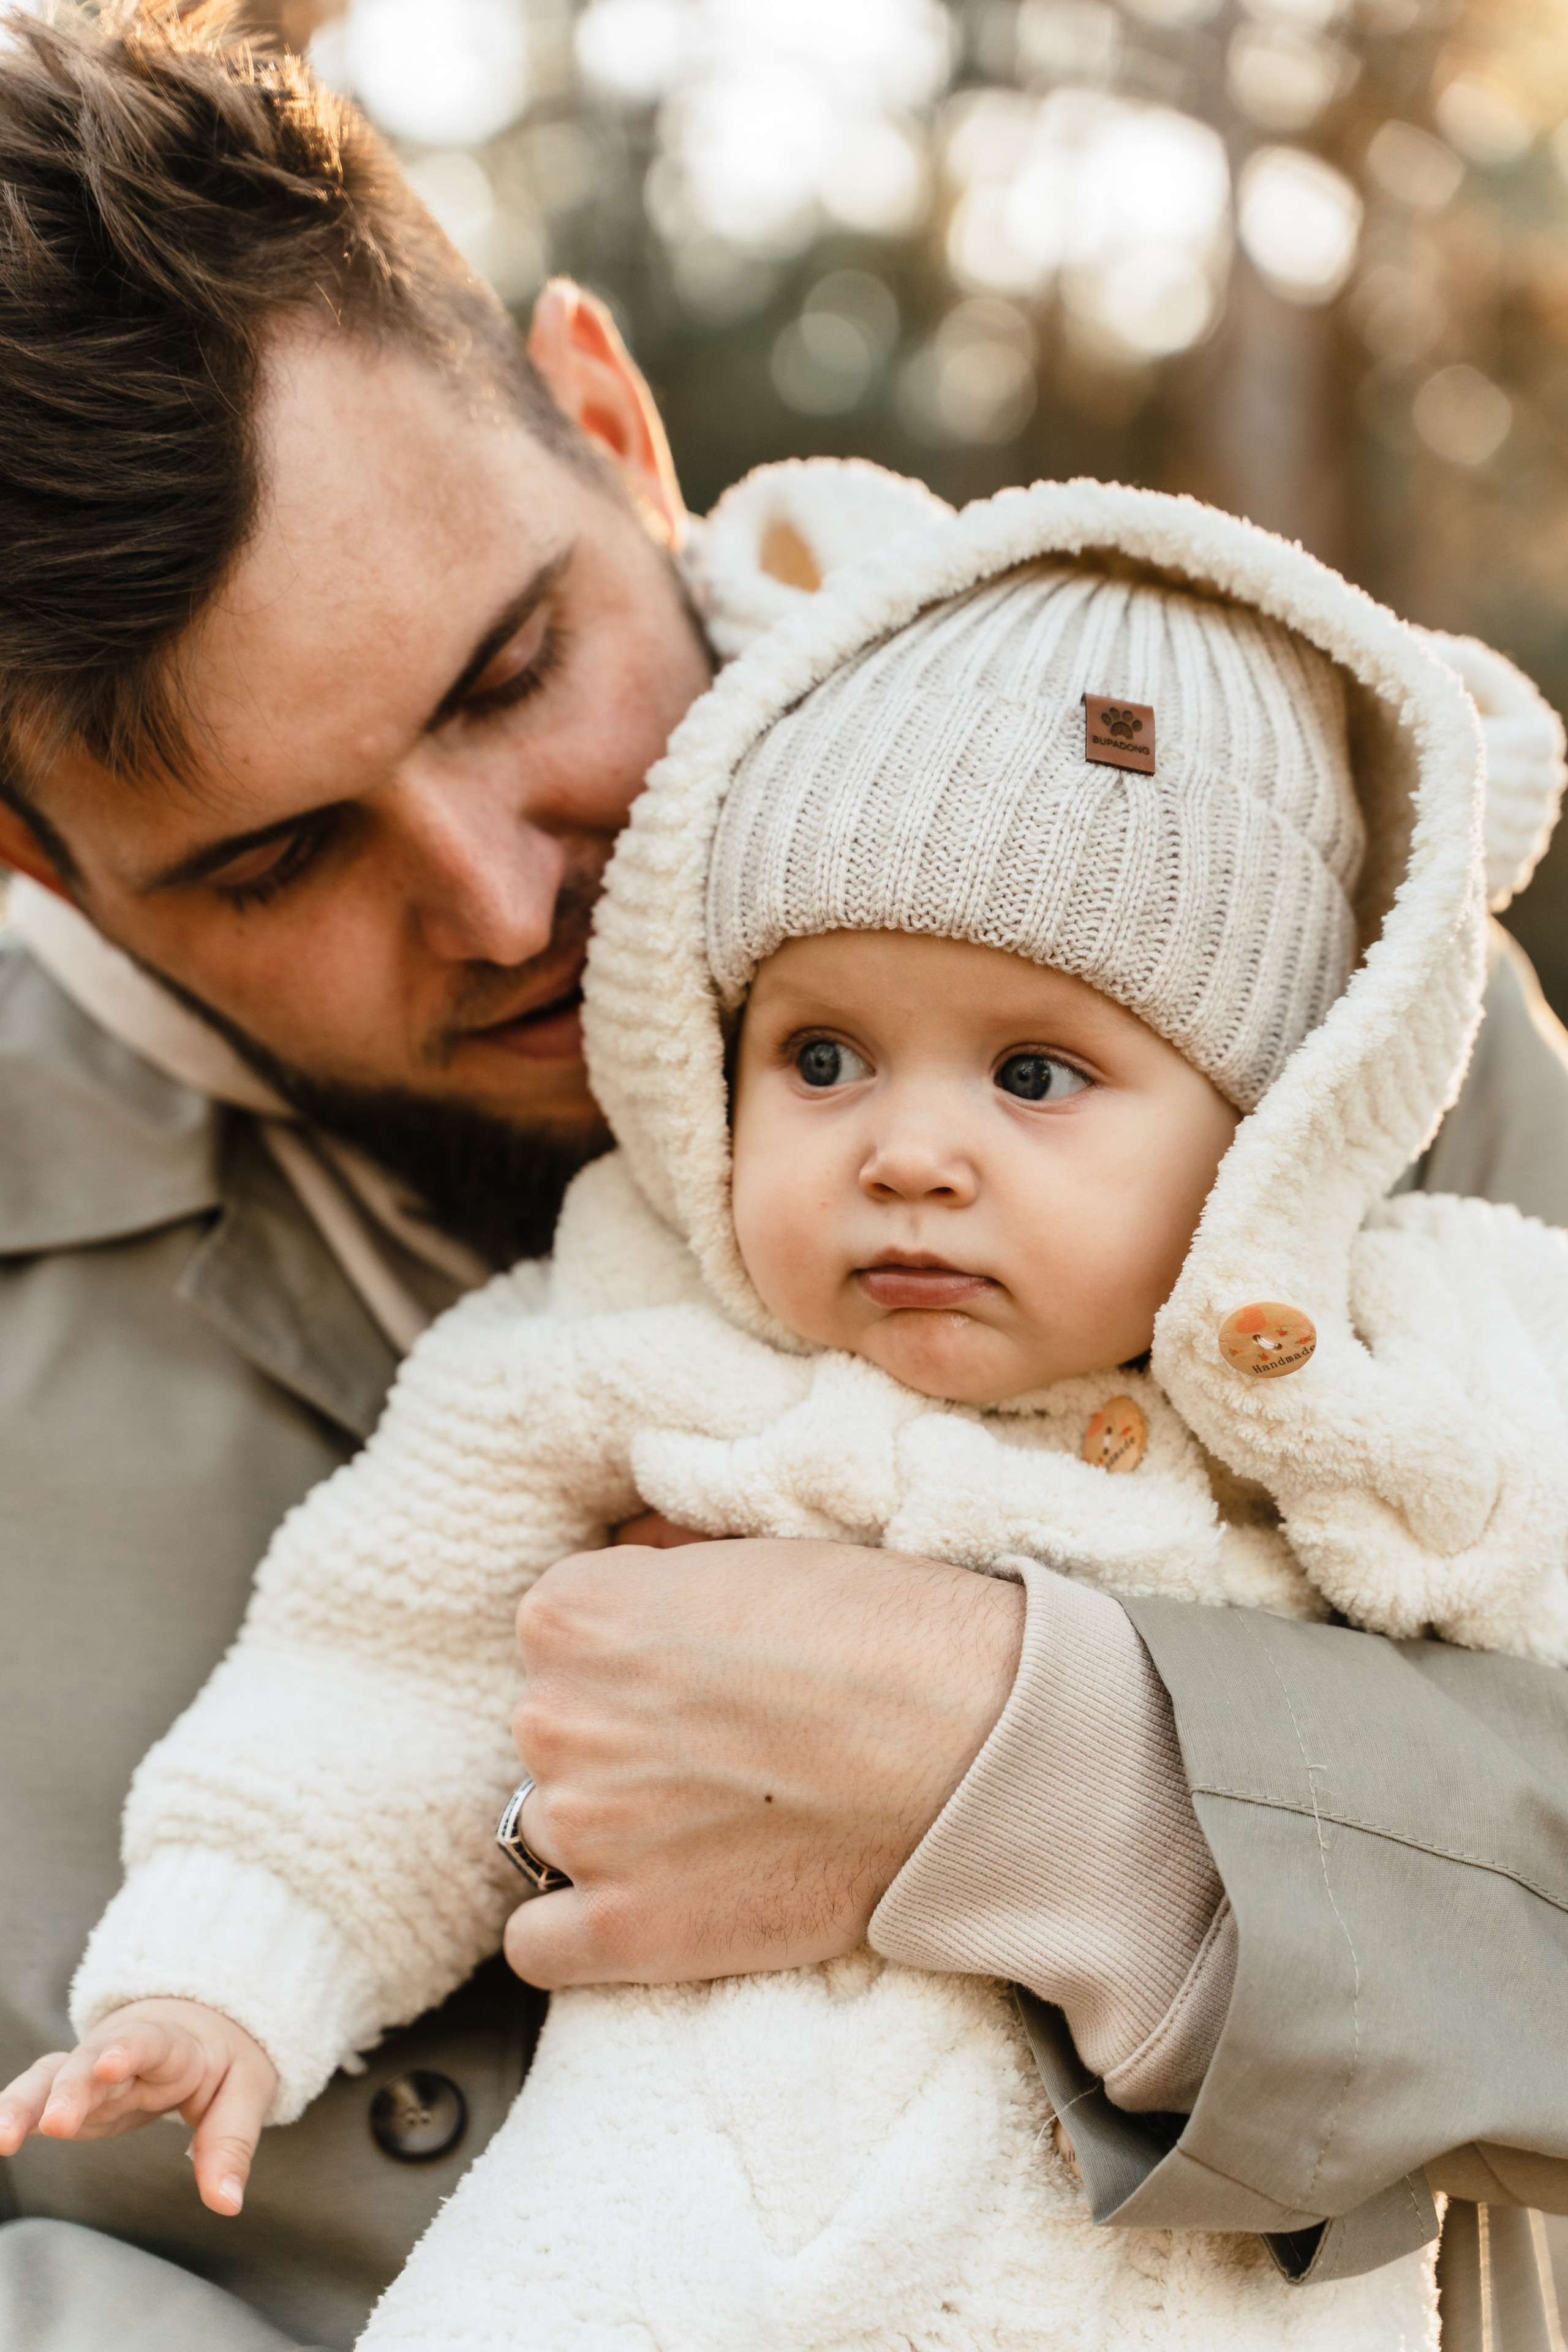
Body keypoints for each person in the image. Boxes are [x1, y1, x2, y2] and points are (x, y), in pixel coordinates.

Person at [1, 10, 1567, 2349]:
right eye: (279, 858)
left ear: (614, 422)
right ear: (38, 859)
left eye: (511, 671)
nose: (499, 902)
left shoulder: (1310, 982)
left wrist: (1075, 1787)